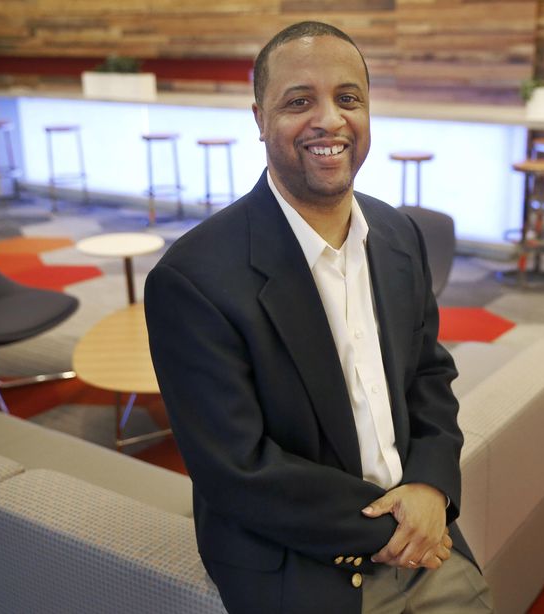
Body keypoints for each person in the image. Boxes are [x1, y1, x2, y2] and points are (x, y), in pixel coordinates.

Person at [144, 21, 493, 614]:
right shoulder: (192, 279)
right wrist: (394, 530)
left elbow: (430, 377)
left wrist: (433, 486)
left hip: (424, 535)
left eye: (348, 98)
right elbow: (238, 469)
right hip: (299, 563)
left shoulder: (399, 235)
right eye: (299, 101)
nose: (329, 119)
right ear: (259, 118)